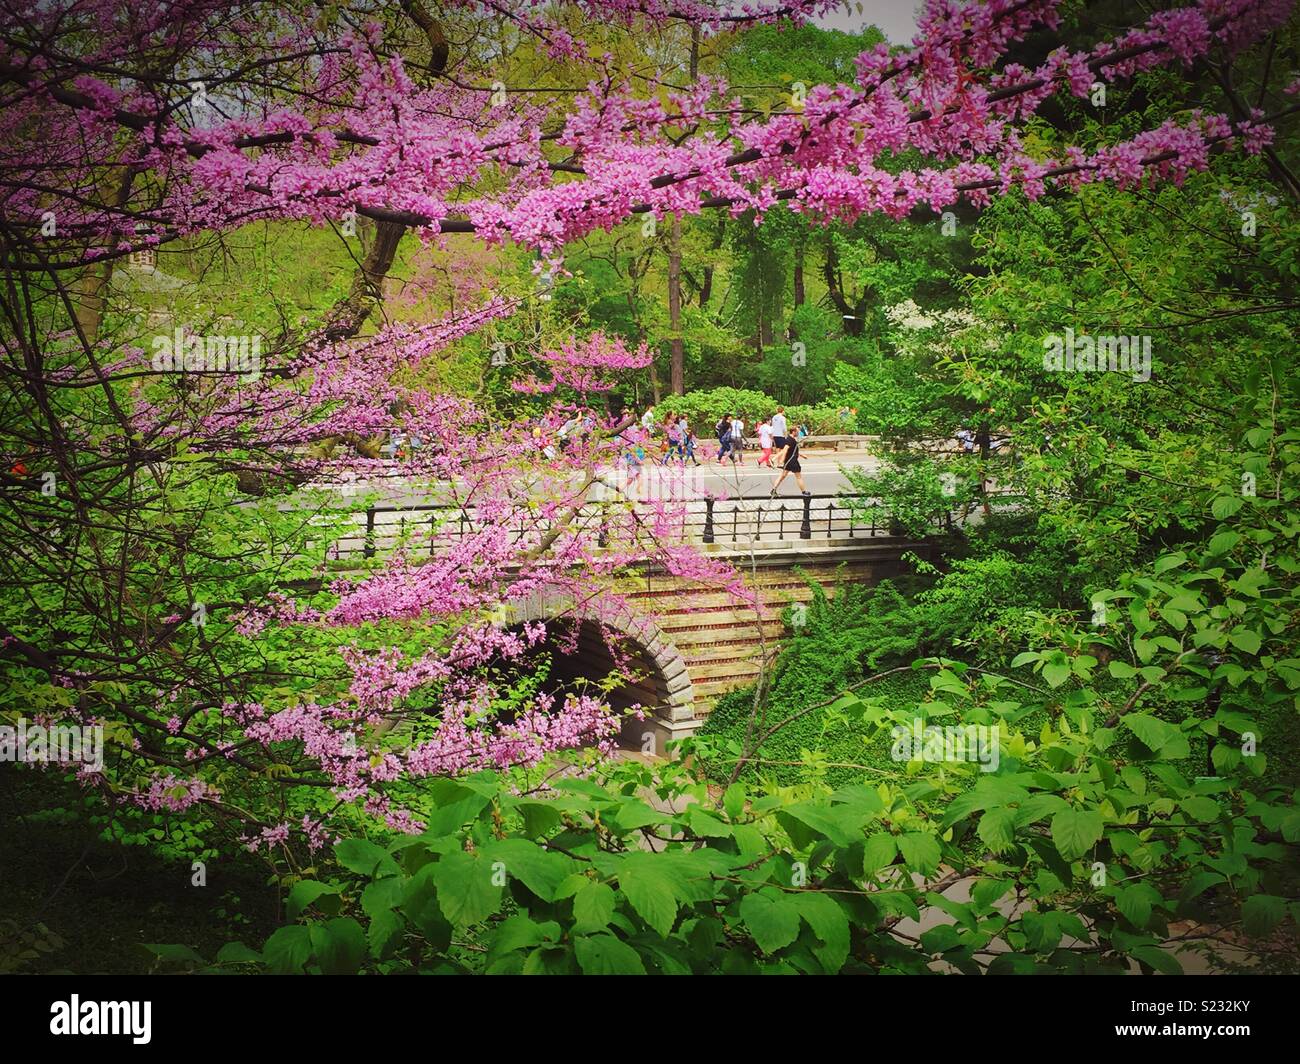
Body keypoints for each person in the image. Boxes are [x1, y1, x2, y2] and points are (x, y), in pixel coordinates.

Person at [769, 431, 809, 497]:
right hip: (792, 461)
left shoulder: (790, 439)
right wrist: (781, 460)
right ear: (793, 432)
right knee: (798, 477)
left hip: (789, 461)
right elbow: (785, 450)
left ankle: (773, 490)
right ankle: (804, 492)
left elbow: (792, 451)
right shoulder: (790, 440)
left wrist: (801, 455)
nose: (798, 433)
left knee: (783, 476)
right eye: (797, 431)